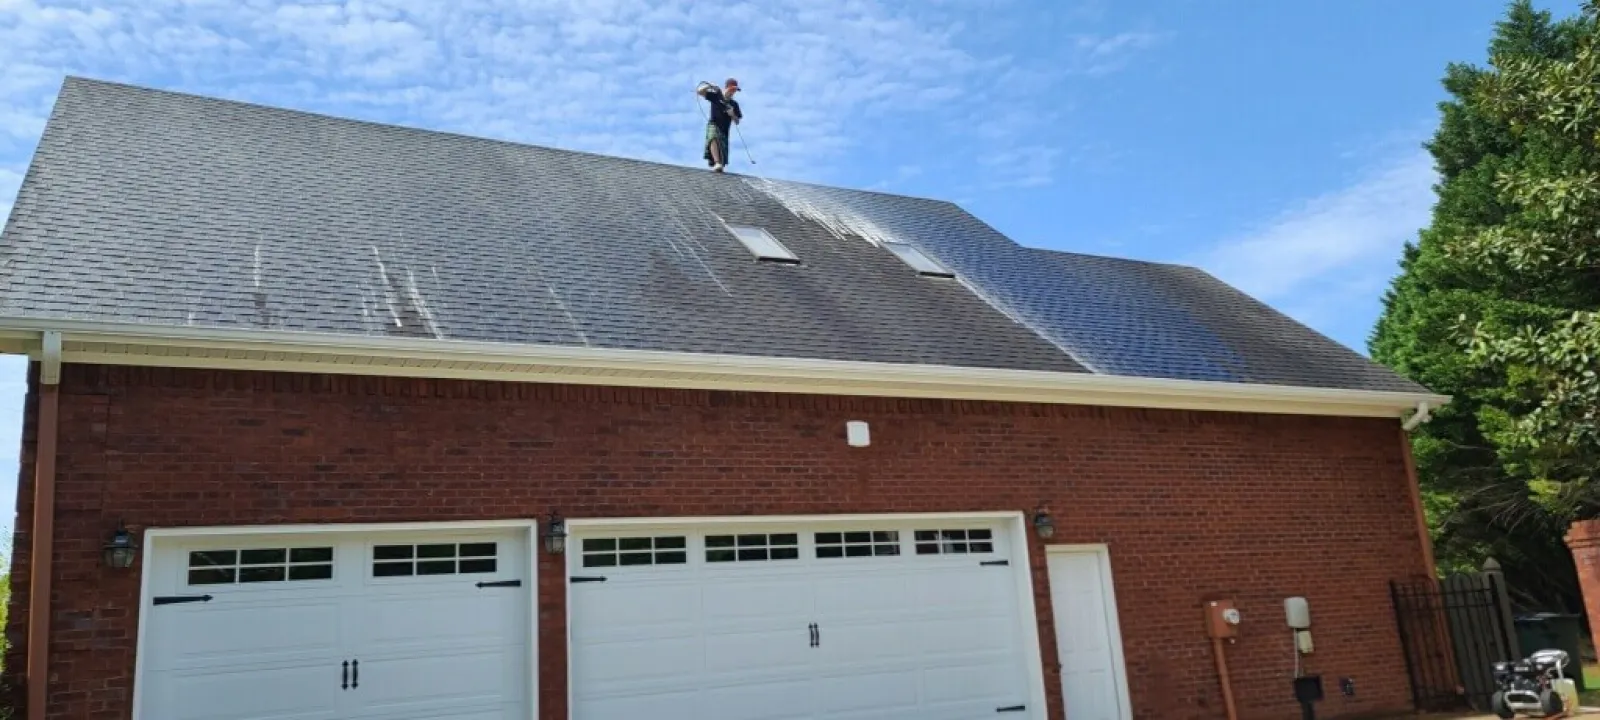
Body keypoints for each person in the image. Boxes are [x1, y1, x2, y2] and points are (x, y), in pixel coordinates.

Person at [697, 78, 742, 172]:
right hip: (714, 124)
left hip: (724, 130)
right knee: (712, 137)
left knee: (722, 152)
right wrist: (710, 86)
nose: (733, 92)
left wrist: (732, 114)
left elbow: (737, 121)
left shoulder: (734, 104)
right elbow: (699, 91)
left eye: (735, 90)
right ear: (726, 88)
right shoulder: (717, 96)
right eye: (732, 89)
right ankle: (717, 162)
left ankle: (719, 165)